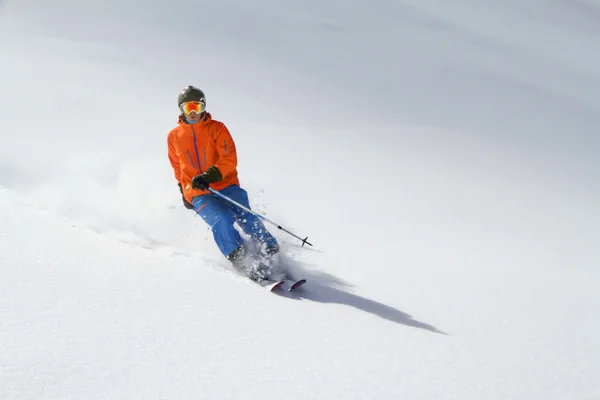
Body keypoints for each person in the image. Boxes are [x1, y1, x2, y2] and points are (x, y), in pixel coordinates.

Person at [167, 86, 279, 280]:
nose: (193, 112)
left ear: (204, 107)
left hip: (226, 185)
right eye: (188, 108)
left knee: (246, 216)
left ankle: (268, 249)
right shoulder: (174, 137)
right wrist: (182, 190)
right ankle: (242, 259)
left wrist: (208, 176)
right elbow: (178, 167)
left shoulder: (217, 129)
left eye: (197, 107)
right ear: (181, 109)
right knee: (222, 220)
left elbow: (229, 158)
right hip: (198, 193)